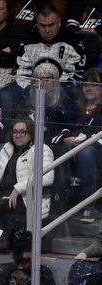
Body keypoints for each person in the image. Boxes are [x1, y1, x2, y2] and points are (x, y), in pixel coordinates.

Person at [0, 117, 54, 235]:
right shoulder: (7, 148)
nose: (18, 135)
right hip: (4, 195)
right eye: (15, 132)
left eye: (23, 132)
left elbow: (47, 177)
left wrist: (17, 189)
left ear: (31, 134)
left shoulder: (42, 150)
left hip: (26, 199)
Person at [57, 68, 102, 225]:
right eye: (85, 85)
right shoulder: (74, 108)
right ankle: (59, 203)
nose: (88, 88)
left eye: (94, 85)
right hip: (72, 149)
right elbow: (62, 128)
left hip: (96, 152)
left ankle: (89, 207)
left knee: (85, 152)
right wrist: (66, 139)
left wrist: (86, 143)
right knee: (59, 149)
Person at [14, 3, 86, 88]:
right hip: (32, 94)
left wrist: (56, 91)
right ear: (37, 23)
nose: (47, 30)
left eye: (51, 25)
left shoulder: (73, 41)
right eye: (43, 26)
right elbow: (21, 73)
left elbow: (77, 74)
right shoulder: (27, 42)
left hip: (64, 96)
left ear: (59, 22)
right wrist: (31, 91)